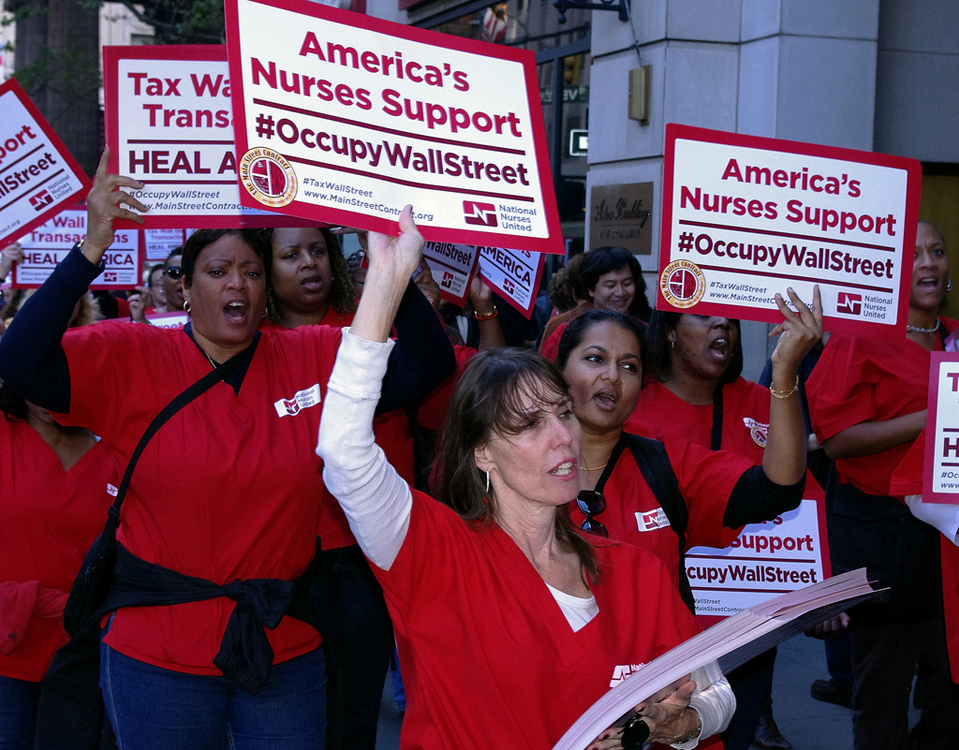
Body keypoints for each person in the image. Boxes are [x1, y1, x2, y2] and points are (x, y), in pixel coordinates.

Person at [0, 151, 454, 749]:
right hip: (156, 652)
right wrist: (91, 245)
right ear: (184, 287)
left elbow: (426, 366)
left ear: (267, 290)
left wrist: (392, 270)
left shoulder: (312, 354)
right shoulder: (129, 355)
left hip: (282, 644)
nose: (237, 283)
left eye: (252, 271)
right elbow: (22, 363)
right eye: (217, 271)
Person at [317, 214, 735, 750]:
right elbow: (344, 452)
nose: (563, 435)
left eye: (563, 413)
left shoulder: (637, 572)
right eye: (530, 424)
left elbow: (716, 691)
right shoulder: (434, 553)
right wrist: (386, 278)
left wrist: (679, 723)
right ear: (482, 453)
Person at [264, 224, 453, 750]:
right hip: (280, 564)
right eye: (290, 254)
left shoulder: (366, 333)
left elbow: (430, 363)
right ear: (265, 268)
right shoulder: (248, 348)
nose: (308, 263)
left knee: (352, 716)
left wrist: (395, 274)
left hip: (358, 559)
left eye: (318, 251)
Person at [626, 309, 825, 750]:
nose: (723, 328)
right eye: (704, 316)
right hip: (664, 629)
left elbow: (801, 496)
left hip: (748, 626)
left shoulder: (767, 399)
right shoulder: (631, 408)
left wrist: (821, 593)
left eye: (732, 321)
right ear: (671, 334)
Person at [807, 219, 959, 750]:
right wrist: (935, 414)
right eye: (913, 253)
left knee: (951, 689)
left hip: (952, 541)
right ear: (889, 269)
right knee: (883, 693)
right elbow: (835, 440)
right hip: (885, 536)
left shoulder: (956, 338)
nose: (928, 262)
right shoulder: (861, 335)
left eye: (937, 251)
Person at [0, 369, 119, 750]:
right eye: (40, 376)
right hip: (8, 651)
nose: (51, 391)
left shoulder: (119, 443)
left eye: (63, 377)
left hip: (90, 651)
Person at [540, 247, 651, 361]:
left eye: (627, 283)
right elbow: (547, 374)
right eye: (610, 285)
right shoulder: (566, 331)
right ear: (591, 289)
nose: (620, 292)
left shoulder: (647, 333)